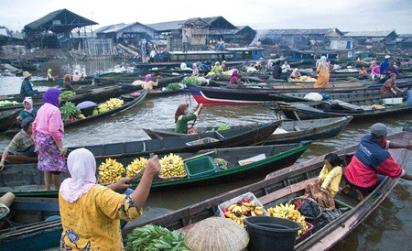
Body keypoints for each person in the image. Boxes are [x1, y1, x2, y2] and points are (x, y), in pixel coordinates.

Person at [59, 148, 161, 250]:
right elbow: (131, 207)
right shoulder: (99, 194)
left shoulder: (65, 188)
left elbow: (87, 196)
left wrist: (114, 186)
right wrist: (148, 174)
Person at [344, 123, 412, 200]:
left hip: (347, 175)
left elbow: (386, 144)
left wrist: (405, 146)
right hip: (362, 185)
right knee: (386, 178)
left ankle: (350, 186)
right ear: (383, 137)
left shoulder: (365, 139)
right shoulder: (381, 155)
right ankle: (363, 193)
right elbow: (398, 173)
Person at [32, 88, 66, 191]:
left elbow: (34, 125)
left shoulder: (41, 108)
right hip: (49, 141)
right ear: (53, 97)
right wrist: (61, 147)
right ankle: (58, 191)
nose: (60, 98)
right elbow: (53, 131)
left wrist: (35, 139)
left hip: (40, 140)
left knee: (46, 166)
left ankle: (47, 190)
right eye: (58, 96)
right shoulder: (54, 110)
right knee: (56, 168)